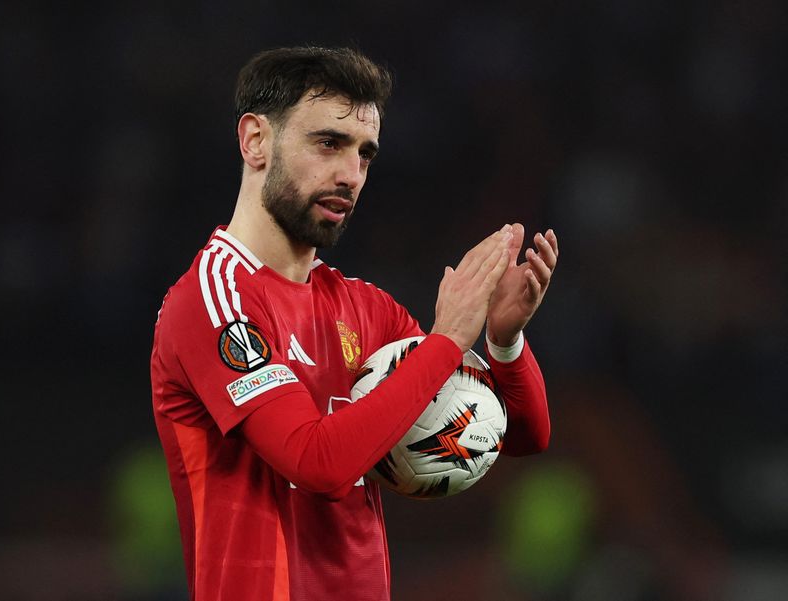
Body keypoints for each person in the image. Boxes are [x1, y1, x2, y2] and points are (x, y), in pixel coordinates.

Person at [150, 46, 559, 601]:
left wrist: (504, 342)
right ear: (255, 141)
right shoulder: (215, 297)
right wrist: (444, 341)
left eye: (365, 155)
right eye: (328, 143)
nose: (350, 174)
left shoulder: (364, 308)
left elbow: (521, 434)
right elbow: (316, 463)